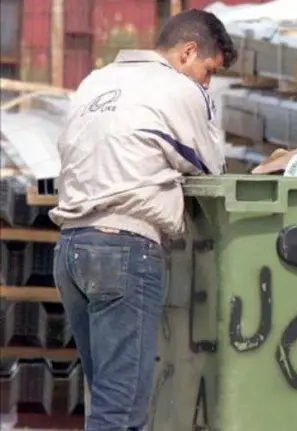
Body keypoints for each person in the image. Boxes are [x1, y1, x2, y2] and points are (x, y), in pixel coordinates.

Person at [49, 9, 237, 430]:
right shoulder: (178, 89)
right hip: (125, 252)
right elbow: (212, 171)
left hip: (72, 250)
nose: (206, 83)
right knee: (121, 411)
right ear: (188, 51)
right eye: (208, 72)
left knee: (106, 398)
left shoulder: (95, 82)